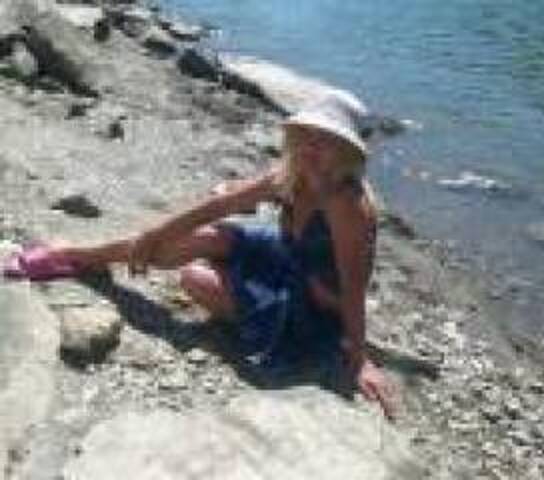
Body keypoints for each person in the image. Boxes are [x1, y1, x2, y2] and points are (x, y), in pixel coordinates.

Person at [3, 94, 396, 419]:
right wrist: (153, 234)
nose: (311, 146)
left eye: (326, 139)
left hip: (311, 305)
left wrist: (359, 358)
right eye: (307, 134)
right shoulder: (294, 174)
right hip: (283, 255)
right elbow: (219, 205)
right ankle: (79, 256)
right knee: (197, 238)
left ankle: (80, 258)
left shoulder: (348, 205)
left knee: (193, 279)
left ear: (347, 151)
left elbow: (353, 287)